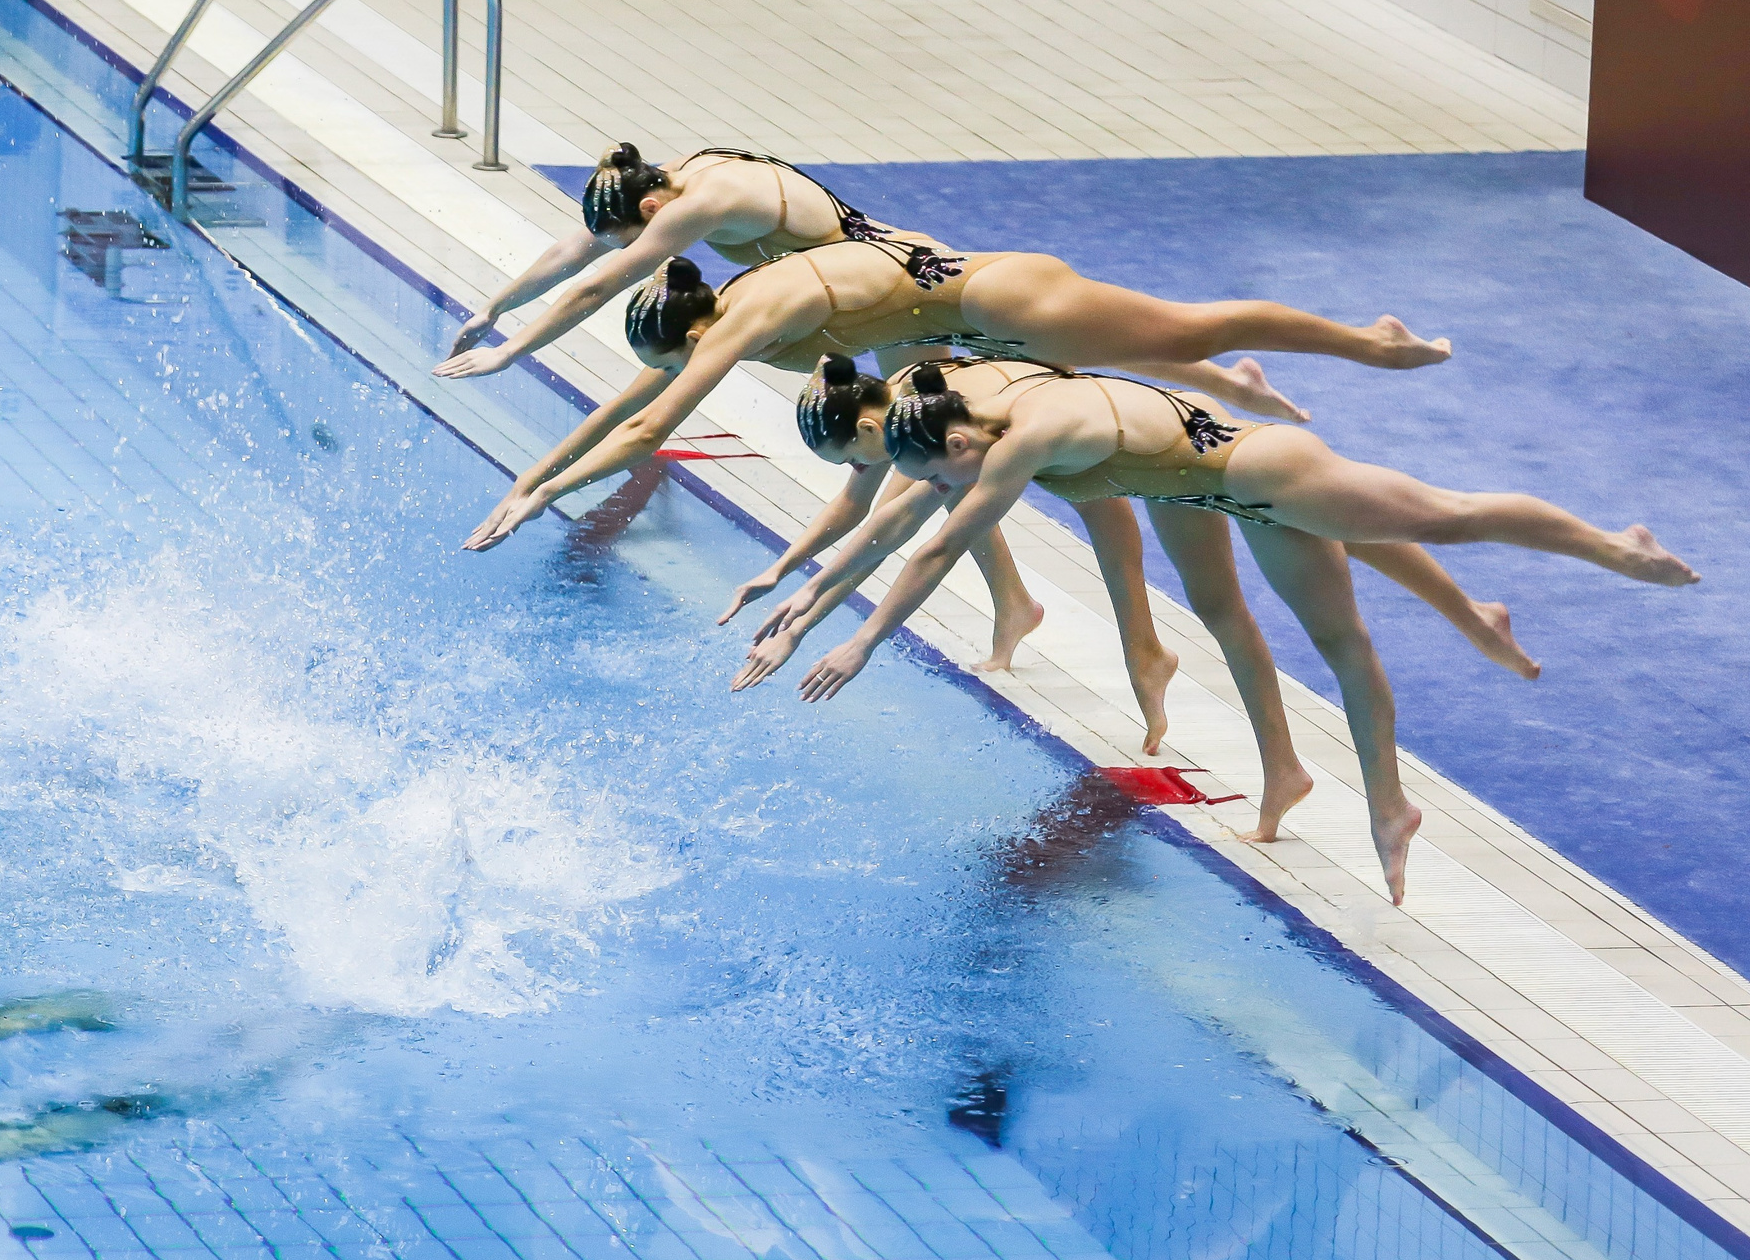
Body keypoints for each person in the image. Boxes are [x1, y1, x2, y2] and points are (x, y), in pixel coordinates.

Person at [736, 357, 1698, 903]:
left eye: (948, 476)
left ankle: (1614, 547)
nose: (948, 491)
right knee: (1338, 643)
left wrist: (862, 642)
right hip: (1220, 492)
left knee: (1442, 516)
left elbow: (936, 550)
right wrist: (807, 611)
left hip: (1263, 471)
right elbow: (897, 526)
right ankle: (1379, 803)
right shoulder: (970, 416)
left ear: (960, 446)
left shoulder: (1019, 437)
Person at [440, 205, 1449, 422]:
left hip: (988, 294)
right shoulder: (741, 298)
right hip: (964, 304)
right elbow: (591, 257)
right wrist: (496, 310)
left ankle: (1369, 342)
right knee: (1158, 341)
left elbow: (653, 395)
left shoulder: (739, 285)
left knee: (1186, 327)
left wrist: (508, 351)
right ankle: (1235, 380)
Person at [439, 143, 886, 362]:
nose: (639, 249)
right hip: (865, 277)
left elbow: (596, 288)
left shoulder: (702, 202)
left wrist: (510, 351)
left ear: (651, 210)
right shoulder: (671, 175)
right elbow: (574, 252)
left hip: (880, 278)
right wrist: (493, 310)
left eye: (635, 239)